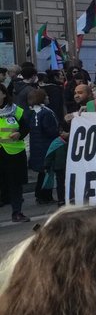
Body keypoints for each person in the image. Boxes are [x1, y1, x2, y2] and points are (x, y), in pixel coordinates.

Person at [0, 84, 29, 223]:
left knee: (15, 184)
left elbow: (26, 126)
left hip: (14, 153)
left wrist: (20, 133)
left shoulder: (15, 110)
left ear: (4, 94)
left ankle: (17, 212)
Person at [25, 89, 57, 206]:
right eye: (46, 96)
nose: (48, 98)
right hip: (47, 145)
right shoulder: (46, 112)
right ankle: (45, 196)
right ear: (41, 98)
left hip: (36, 146)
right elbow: (50, 130)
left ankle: (39, 195)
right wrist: (58, 132)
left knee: (42, 173)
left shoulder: (32, 112)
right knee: (48, 173)